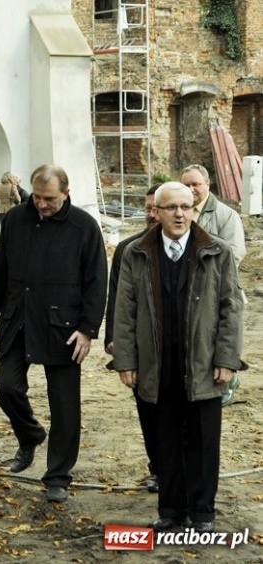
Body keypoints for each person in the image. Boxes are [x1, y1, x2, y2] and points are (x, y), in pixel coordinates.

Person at [113, 181, 244, 533]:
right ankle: (170, 511)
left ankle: (202, 514)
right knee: (165, 439)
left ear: (194, 209)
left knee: (203, 440)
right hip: (158, 363)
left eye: (186, 207)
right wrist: (126, 360)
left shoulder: (217, 252)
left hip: (203, 362)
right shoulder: (137, 253)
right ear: (156, 211)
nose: (179, 214)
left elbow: (231, 308)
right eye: (171, 207)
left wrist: (227, 358)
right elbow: (124, 311)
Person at [0, 164, 107, 503]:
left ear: (66, 193)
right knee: (7, 386)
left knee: (64, 406)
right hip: (18, 319)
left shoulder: (84, 227)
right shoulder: (17, 219)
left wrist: (87, 330)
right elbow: (0, 266)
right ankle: (30, 434)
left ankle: (58, 476)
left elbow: (97, 282)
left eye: (48, 198)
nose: (41, 204)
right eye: (36, 196)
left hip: (62, 328)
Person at [104, 185, 160, 493]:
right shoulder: (127, 248)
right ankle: (157, 468)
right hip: (139, 348)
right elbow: (117, 299)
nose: (151, 214)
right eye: (148, 207)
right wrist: (113, 338)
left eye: (156, 207)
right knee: (148, 411)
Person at [180, 163, 246, 406]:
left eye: (195, 183)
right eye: (186, 184)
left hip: (216, 291)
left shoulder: (226, 215)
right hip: (185, 292)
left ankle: (226, 385)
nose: (191, 188)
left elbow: (235, 253)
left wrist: (202, 276)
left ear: (207, 184)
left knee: (221, 337)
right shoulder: (181, 212)